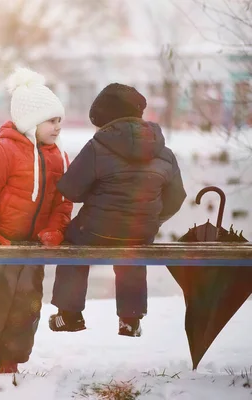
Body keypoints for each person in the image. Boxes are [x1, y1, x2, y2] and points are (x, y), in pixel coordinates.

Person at [48, 83, 187, 337]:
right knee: (133, 246)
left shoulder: (97, 147)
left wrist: (96, 194)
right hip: (140, 231)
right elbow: (177, 197)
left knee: (73, 244)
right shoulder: (163, 151)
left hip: (94, 230)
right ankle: (130, 319)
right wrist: (152, 219)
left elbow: (70, 189)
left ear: (105, 119)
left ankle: (69, 316)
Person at [0, 67, 73, 374]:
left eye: (59, 121)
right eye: (52, 120)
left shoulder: (59, 157)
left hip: (33, 247)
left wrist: (55, 228)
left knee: (27, 306)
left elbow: (63, 201)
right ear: (31, 120)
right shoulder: (2, 149)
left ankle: (11, 360)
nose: (58, 127)